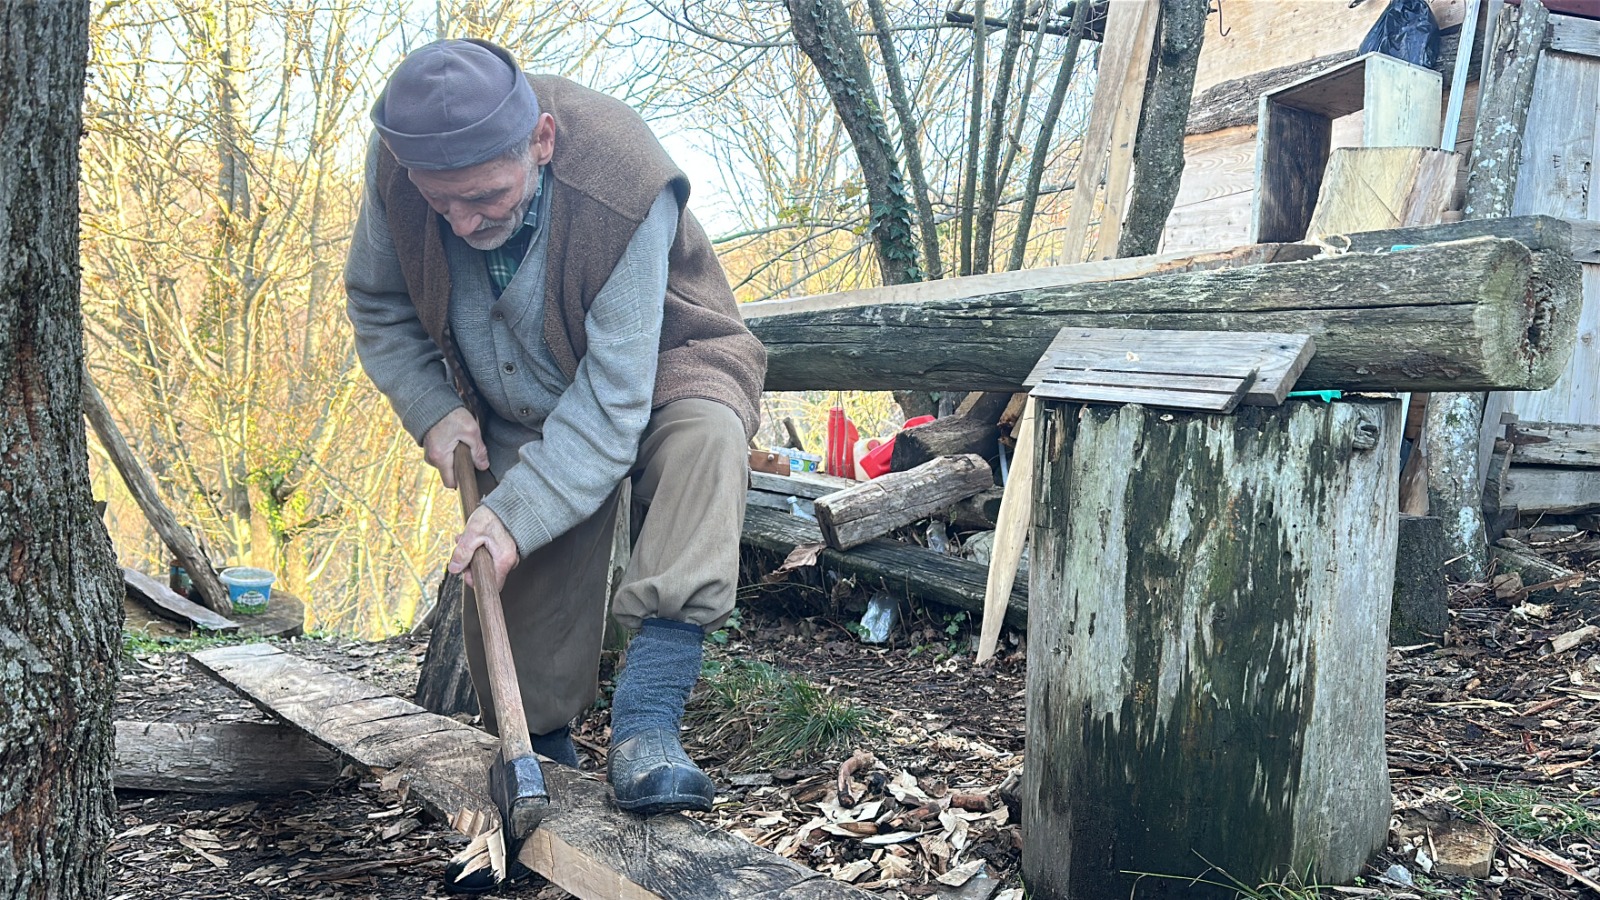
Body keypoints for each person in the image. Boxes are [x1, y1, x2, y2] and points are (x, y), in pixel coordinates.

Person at [344, 37, 766, 890]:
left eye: (486, 198)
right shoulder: (399, 172)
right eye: (444, 208)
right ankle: (540, 770)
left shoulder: (621, 181)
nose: (464, 224)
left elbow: (613, 409)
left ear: (540, 140)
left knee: (704, 444)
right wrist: (431, 408)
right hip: (515, 392)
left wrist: (513, 510)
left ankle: (647, 724)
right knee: (514, 581)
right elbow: (380, 305)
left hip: (659, 369)